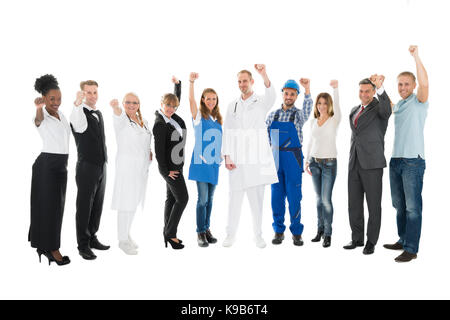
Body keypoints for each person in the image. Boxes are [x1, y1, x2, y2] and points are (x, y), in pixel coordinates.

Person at [222, 64, 278, 248]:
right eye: (239, 81)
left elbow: (272, 95)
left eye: (245, 81)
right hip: (237, 160)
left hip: (256, 160)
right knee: (234, 199)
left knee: (257, 201)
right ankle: (230, 235)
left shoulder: (261, 102)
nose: (242, 84)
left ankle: (258, 236)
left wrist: (264, 74)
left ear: (251, 82)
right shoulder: (232, 106)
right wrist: (227, 156)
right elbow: (227, 131)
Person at [383, 46, 429, 263]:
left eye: (406, 84)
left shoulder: (419, 101)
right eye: (400, 84)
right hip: (396, 161)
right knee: (398, 204)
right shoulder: (400, 104)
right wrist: (380, 87)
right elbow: (389, 105)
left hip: (412, 161)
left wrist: (416, 57)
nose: (402, 87)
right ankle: (403, 239)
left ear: (413, 86)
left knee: (412, 207)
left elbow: (425, 84)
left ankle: (411, 248)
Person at [344, 75, 392, 255]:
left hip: (372, 163)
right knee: (354, 204)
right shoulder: (355, 109)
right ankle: (357, 238)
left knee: (373, 205)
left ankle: (371, 241)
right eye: (361, 91)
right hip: (354, 162)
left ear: (373, 92)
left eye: (367, 91)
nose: (363, 94)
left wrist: (381, 88)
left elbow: (387, 111)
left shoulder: (380, 108)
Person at [266, 78, 313, 246]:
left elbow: (308, 109)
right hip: (275, 160)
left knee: (294, 198)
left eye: (293, 94)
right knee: (276, 198)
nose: (289, 96)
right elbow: (265, 139)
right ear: (283, 94)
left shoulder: (299, 115)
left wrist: (307, 89)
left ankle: (296, 232)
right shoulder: (273, 115)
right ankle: (279, 231)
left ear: (296, 96)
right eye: (287, 93)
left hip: (293, 159)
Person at [29, 74, 70, 266]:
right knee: (48, 209)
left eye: (59, 98)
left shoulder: (62, 115)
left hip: (61, 165)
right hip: (47, 166)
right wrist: (38, 109)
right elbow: (37, 121)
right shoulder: (41, 115)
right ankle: (52, 249)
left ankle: (44, 246)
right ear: (43, 98)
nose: (56, 102)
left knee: (56, 209)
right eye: (52, 99)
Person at [71, 80, 109, 260]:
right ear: (82, 94)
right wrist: (77, 104)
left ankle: (92, 236)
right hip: (87, 166)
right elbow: (77, 124)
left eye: (95, 92)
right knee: (84, 206)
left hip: (102, 165)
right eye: (89, 92)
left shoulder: (99, 113)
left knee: (97, 204)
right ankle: (83, 245)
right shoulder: (79, 113)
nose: (92, 96)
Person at [110, 93, 153, 255]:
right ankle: (122, 240)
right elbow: (118, 114)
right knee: (125, 202)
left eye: (135, 102)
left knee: (134, 202)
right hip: (127, 168)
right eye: (128, 102)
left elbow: (145, 141)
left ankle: (127, 234)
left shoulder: (144, 122)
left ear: (139, 104)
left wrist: (149, 151)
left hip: (141, 169)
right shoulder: (122, 121)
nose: (131, 105)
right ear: (123, 103)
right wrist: (116, 107)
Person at [187, 72, 223, 247]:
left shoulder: (218, 120)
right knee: (202, 199)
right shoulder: (199, 116)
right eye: (208, 99)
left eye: (214, 99)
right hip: (201, 163)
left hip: (214, 164)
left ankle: (207, 228)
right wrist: (191, 82)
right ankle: (200, 232)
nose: (211, 101)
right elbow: (191, 102)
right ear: (203, 100)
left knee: (210, 199)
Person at [305, 80, 341, 248]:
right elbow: (310, 142)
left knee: (326, 200)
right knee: (318, 199)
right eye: (319, 103)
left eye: (325, 103)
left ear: (329, 105)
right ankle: (319, 230)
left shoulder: (334, 120)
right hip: (314, 163)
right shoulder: (313, 121)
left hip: (329, 164)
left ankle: (328, 234)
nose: (321, 106)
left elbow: (338, 104)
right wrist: (307, 160)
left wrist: (336, 88)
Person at [153, 77, 188, 250]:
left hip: (177, 165)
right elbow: (159, 153)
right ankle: (170, 234)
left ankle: (167, 232)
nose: (170, 109)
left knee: (172, 198)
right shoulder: (160, 124)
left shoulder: (172, 117)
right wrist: (166, 172)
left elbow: (176, 99)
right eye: (167, 105)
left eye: (174, 106)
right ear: (161, 104)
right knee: (183, 198)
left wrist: (177, 85)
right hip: (171, 169)